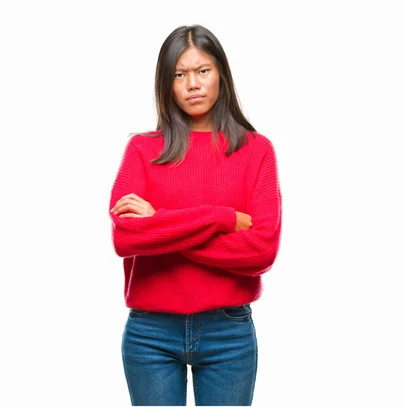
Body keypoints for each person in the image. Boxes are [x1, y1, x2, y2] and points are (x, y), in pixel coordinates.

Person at [108, 24, 282, 406]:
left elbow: (261, 251)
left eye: (203, 71)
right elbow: (126, 239)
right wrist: (220, 218)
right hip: (150, 333)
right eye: (179, 74)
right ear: (166, 84)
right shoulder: (142, 150)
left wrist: (160, 224)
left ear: (221, 73)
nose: (193, 84)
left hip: (228, 333)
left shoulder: (256, 151)